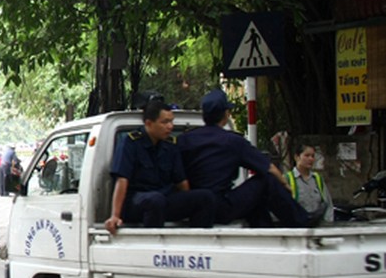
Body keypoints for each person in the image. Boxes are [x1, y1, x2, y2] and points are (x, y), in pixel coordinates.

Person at [178, 89, 310, 227]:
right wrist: (285, 185)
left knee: (254, 198)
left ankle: (263, 227)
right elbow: (268, 168)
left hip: (195, 208)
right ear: (226, 114)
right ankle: (301, 220)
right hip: (221, 208)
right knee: (266, 181)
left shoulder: (185, 140)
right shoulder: (232, 141)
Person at [105, 99, 216, 235]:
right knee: (155, 200)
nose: (170, 127)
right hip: (136, 202)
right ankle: (153, 246)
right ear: (149, 123)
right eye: (165, 122)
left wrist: (187, 204)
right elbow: (122, 180)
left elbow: (181, 182)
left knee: (205, 197)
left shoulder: (170, 145)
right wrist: (115, 215)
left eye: (171, 121)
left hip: (163, 199)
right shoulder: (130, 143)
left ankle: (199, 242)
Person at [287, 144, 333, 224]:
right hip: (297, 229)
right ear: (297, 157)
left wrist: (327, 225)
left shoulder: (317, 179)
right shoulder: (287, 179)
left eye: (312, 156)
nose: (310, 159)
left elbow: (328, 205)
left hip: (318, 228)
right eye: (307, 155)